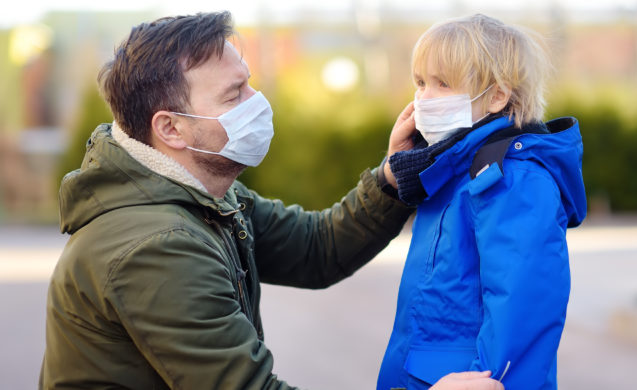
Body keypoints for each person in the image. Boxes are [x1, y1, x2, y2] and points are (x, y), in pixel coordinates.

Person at [39, 11, 504, 390]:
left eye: (248, 83)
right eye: (233, 95)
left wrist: (393, 177)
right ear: (170, 129)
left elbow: (317, 249)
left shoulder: (202, 196)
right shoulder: (156, 246)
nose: (256, 102)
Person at [376, 14, 587, 389]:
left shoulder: (514, 179)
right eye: (420, 82)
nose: (423, 97)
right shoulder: (451, 170)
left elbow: (523, 309)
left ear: (496, 96)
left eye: (443, 83)